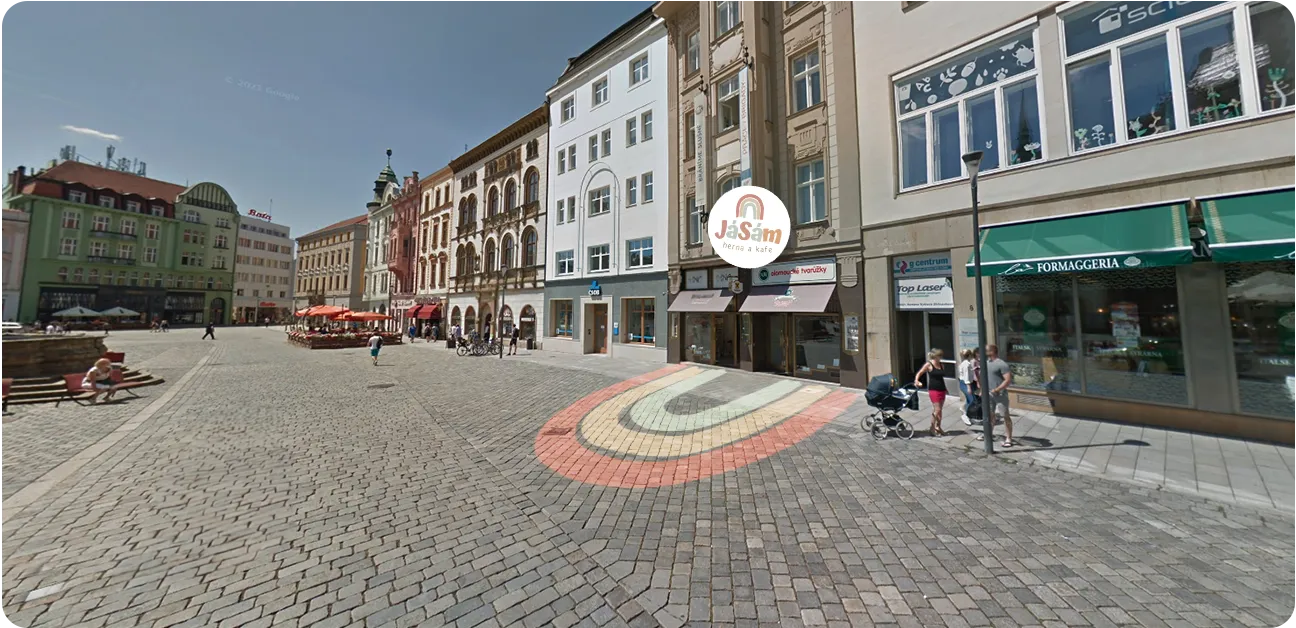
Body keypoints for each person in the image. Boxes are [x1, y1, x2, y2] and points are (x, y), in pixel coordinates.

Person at [978, 344, 1014, 447]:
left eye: (986, 350)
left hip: (1000, 395)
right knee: (990, 415)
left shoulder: (1001, 364)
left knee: (1005, 416)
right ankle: (988, 434)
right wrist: (982, 390)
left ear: (992, 351)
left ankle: (1008, 438)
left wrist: (997, 389)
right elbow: (983, 378)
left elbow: (1007, 380)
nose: (984, 353)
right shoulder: (985, 363)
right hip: (988, 394)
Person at [913, 349, 948, 437]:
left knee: (939, 410)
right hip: (933, 389)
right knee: (937, 409)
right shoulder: (929, 364)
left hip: (942, 389)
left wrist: (946, 389)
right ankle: (932, 428)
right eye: (939, 356)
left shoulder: (941, 365)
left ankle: (938, 427)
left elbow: (941, 378)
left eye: (941, 356)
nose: (941, 357)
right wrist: (917, 380)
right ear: (935, 356)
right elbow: (920, 373)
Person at [957, 349, 979, 424]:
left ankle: (967, 413)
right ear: (969, 355)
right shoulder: (967, 364)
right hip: (966, 384)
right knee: (972, 401)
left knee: (969, 400)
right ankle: (965, 414)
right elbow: (966, 376)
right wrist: (969, 387)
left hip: (964, 383)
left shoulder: (964, 363)